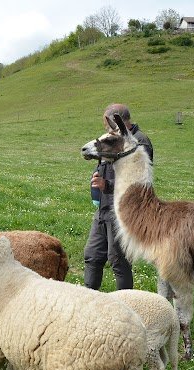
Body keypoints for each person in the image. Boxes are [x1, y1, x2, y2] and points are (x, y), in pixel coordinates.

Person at [83, 103, 153, 291]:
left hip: (121, 212)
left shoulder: (139, 141)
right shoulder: (113, 139)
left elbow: (137, 181)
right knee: (92, 256)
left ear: (118, 122)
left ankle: (126, 306)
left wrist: (107, 185)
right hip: (103, 209)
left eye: (108, 125)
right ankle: (88, 300)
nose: (106, 129)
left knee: (118, 260)